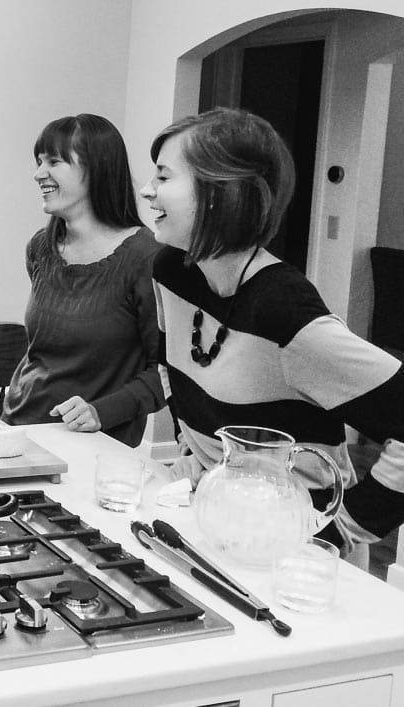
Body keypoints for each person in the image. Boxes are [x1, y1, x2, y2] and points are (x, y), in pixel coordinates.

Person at [142, 107, 404, 563]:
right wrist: (195, 454)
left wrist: (344, 528)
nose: (147, 190)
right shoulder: (170, 270)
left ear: (217, 193)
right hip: (216, 519)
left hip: (292, 548)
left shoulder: (283, 309)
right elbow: (171, 365)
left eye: (163, 177)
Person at [3, 114, 165, 446]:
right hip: (17, 431)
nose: (38, 174)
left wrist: (100, 412)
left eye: (53, 161)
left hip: (94, 450)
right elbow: (41, 355)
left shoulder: (146, 258)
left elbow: (165, 373)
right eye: (38, 162)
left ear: (96, 168)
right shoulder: (40, 248)